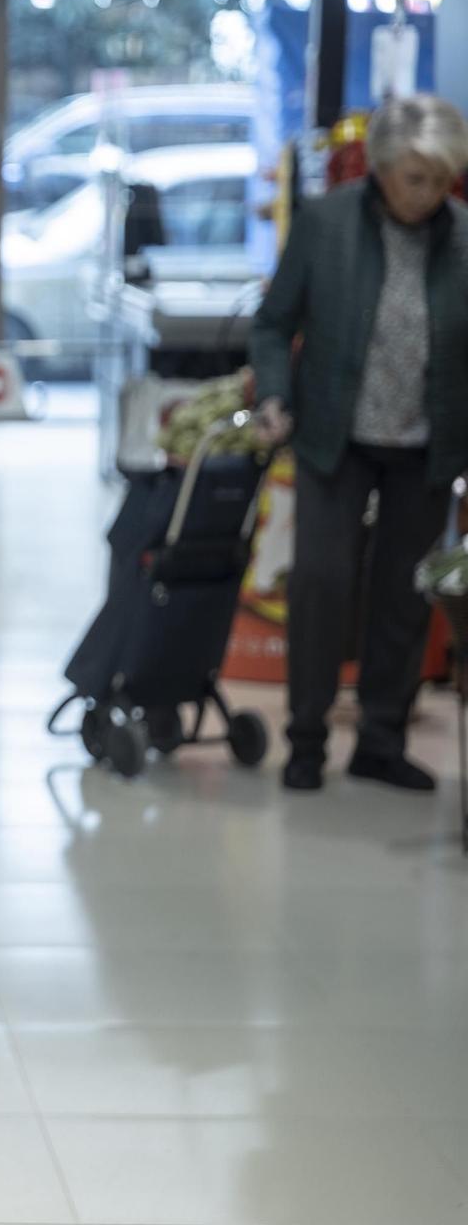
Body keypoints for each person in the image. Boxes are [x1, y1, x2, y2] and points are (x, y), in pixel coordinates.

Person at [250, 94, 468, 793]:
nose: (428, 194)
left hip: (425, 445)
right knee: (322, 583)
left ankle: (381, 739)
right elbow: (272, 322)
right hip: (332, 438)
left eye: (440, 180)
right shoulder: (326, 223)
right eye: (416, 178)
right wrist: (276, 394)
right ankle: (307, 739)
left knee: (405, 596)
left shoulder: (462, 236)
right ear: (380, 168)